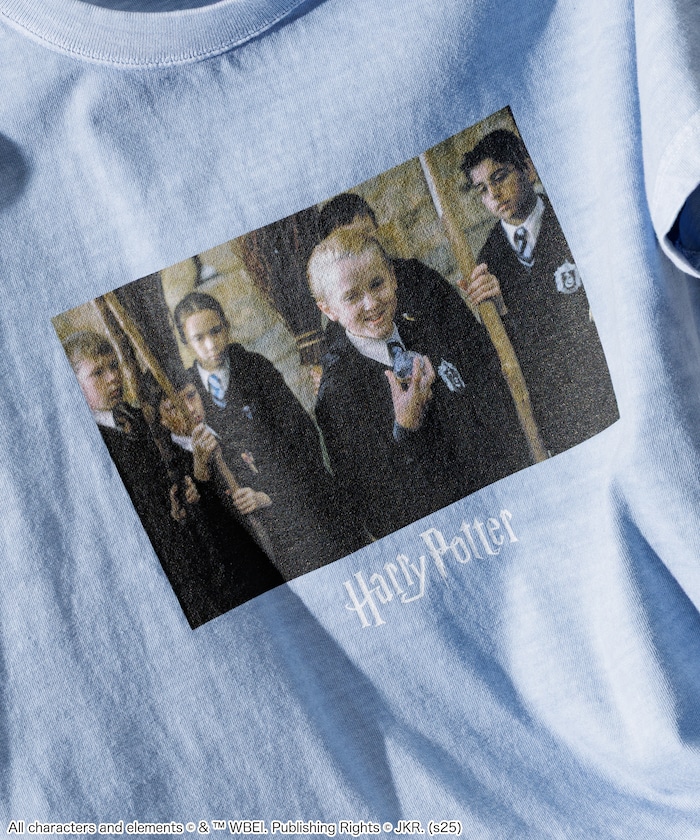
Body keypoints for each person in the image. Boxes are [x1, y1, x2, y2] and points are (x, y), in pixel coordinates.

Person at [308, 228, 529, 539]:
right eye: (352, 296)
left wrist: (501, 312)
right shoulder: (338, 395)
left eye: (377, 284)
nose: (371, 303)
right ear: (328, 309)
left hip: (503, 501)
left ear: (393, 277)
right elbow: (377, 514)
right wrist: (405, 429)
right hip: (451, 538)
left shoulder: (425, 328)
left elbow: (494, 379)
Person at [173, 291, 367, 578]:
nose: (211, 344)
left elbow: (302, 435)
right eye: (199, 338)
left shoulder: (255, 368)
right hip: (254, 532)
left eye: (216, 331)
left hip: (301, 504)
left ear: (227, 325)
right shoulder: (188, 396)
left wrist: (270, 494)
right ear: (186, 342)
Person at [460, 129, 619, 455]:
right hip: (555, 413)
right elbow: (510, 352)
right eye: (482, 189)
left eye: (500, 177)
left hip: (606, 382)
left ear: (528, 169)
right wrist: (499, 309)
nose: (494, 194)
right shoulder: (488, 261)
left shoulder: (572, 219)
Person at [62, 330, 229, 627]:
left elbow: (180, 466)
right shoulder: (85, 446)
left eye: (114, 366)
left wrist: (190, 485)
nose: (113, 378)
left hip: (196, 548)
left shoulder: (143, 419)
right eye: (98, 373)